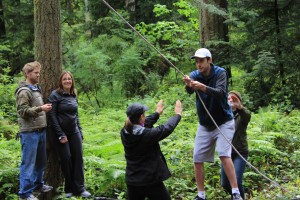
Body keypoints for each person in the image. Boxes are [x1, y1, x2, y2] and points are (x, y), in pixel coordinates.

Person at [183, 48, 243, 200]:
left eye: (201, 61)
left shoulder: (220, 72)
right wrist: (188, 85)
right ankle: (201, 195)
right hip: (205, 124)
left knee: (223, 153)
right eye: (196, 62)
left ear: (209, 60)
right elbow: (189, 92)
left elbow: (221, 93)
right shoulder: (194, 75)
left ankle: (235, 192)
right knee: (197, 157)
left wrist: (202, 87)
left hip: (224, 121)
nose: (198, 64)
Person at [121, 99, 182, 200]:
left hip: (132, 181)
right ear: (141, 116)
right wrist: (178, 114)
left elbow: (145, 122)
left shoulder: (124, 131)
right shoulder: (148, 135)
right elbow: (166, 128)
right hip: (150, 181)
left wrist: (157, 113)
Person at [47, 71, 91, 198]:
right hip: (59, 133)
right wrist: (60, 134)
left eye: (69, 79)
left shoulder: (73, 95)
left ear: (72, 81)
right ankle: (69, 188)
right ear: (61, 81)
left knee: (78, 159)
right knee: (66, 159)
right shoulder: (55, 95)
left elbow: (76, 116)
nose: (67, 81)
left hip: (74, 132)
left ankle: (80, 188)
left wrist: (80, 132)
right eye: (65, 79)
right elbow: (52, 116)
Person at [15, 61, 53, 200]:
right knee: (28, 163)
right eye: (36, 73)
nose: (38, 75)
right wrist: (41, 109)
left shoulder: (36, 88)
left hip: (40, 131)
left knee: (41, 161)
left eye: (39, 72)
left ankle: (38, 184)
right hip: (29, 132)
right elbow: (22, 111)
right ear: (27, 73)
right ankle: (24, 194)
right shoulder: (24, 91)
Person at [221, 91, 251, 200]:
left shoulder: (242, 115)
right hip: (226, 153)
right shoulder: (223, 115)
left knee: (237, 181)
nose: (230, 100)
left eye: (234, 99)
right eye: (228, 99)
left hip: (240, 152)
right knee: (225, 183)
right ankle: (237, 197)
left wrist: (240, 107)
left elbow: (247, 116)